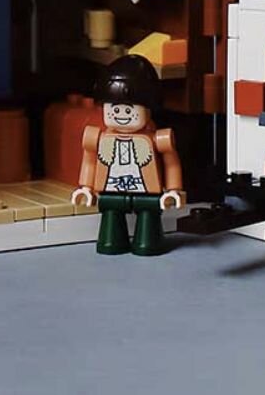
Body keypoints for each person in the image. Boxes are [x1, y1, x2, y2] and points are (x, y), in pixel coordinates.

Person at [72, 54, 184, 256]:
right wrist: (86, 188)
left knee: (147, 237)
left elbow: (171, 164)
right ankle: (112, 243)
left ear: (148, 108)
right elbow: (90, 163)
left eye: (129, 109)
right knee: (110, 235)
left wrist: (173, 190)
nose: (121, 115)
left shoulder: (159, 138)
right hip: (111, 194)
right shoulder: (97, 137)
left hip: (147, 197)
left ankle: (149, 244)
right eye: (115, 109)